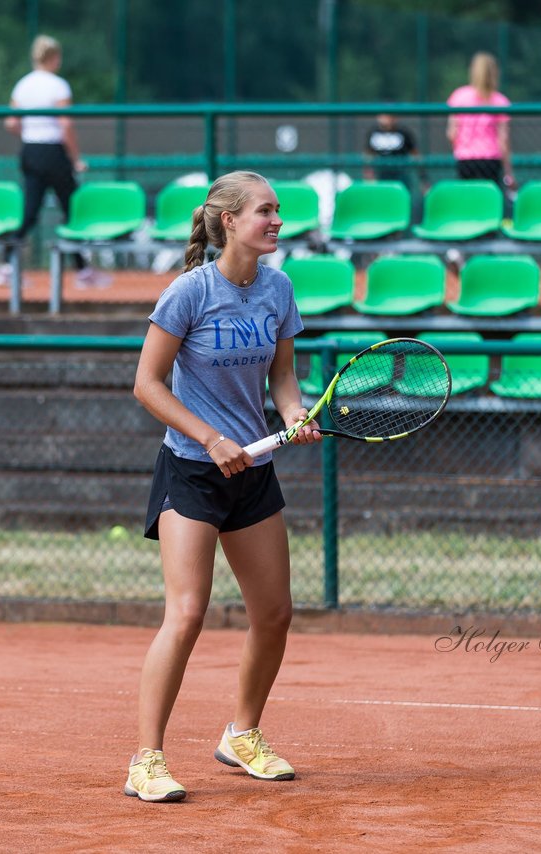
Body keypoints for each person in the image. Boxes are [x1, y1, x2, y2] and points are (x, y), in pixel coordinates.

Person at [127, 170, 322, 803]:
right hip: (192, 469)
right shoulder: (190, 292)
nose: (276, 221)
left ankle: (243, 734)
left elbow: (284, 379)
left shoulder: (280, 289)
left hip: (254, 473)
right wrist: (211, 438)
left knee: (274, 613)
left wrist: (294, 416)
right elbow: (148, 385)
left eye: (279, 211)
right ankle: (146, 760)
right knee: (186, 614)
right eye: (265, 211)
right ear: (230, 221)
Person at [0, 34, 109, 288]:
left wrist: (29, 133)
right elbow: (65, 124)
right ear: (53, 57)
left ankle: (6, 264)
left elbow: (11, 122)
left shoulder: (22, 85)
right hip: (53, 152)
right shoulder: (59, 86)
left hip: (30, 151)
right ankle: (83, 272)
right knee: (73, 210)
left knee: (30, 212)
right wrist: (75, 158)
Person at [446, 52, 514, 191]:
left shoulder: (459, 96)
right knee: (490, 202)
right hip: (491, 160)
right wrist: (509, 172)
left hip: (465, 159)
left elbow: (452, 134)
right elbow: (503, 140)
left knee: (468, 202)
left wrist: (461, 149)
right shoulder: (500, 101)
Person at [363, 112, 420, 189]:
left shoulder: (403, 132)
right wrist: (368, 174)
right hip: (381, 175)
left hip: (401, 175)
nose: (385, 118)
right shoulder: (373, 132)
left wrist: (423, 179)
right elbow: (368, 155)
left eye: (388, 116)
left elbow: (415, 155)